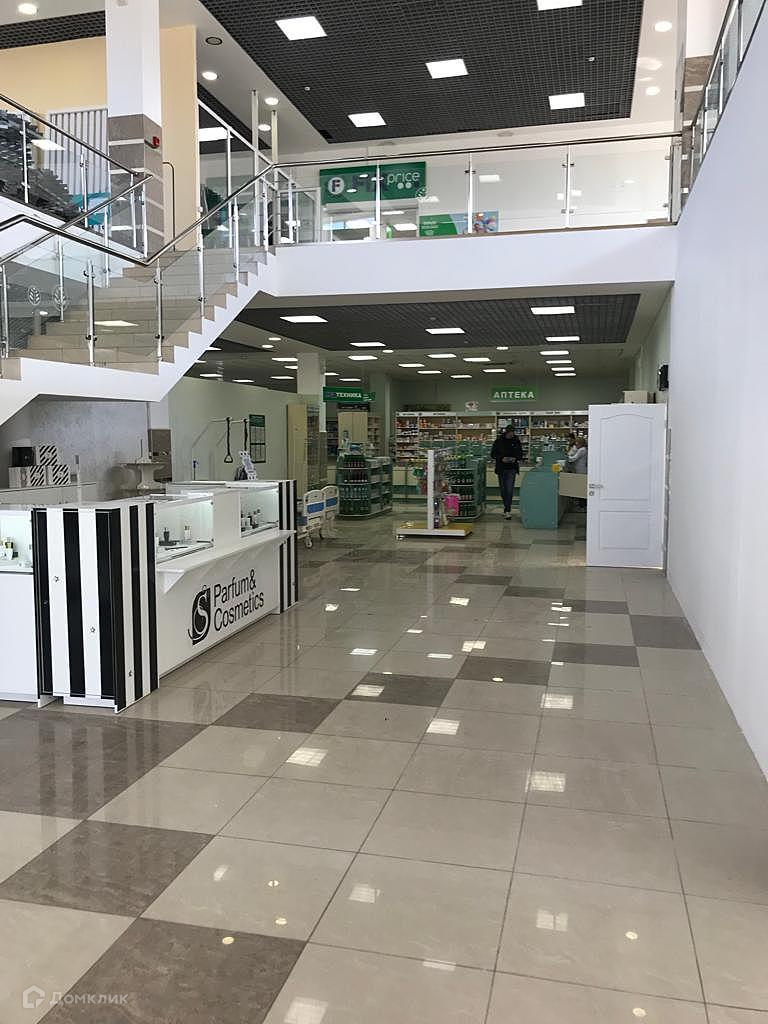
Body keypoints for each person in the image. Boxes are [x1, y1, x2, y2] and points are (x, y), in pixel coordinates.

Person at [491, 424, 523, 519]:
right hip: (501, 468)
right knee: (503, 490)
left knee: (509, 489)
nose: (511, 434)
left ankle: (507, 510)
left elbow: (520, 454)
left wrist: (515, 458)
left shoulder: (516, 441)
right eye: (510, 432)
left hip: (512, 468)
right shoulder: (499, 441)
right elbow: (493, 454)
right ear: (506, 432)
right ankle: (506, 507)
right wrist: (502, 458)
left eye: (513, 432)